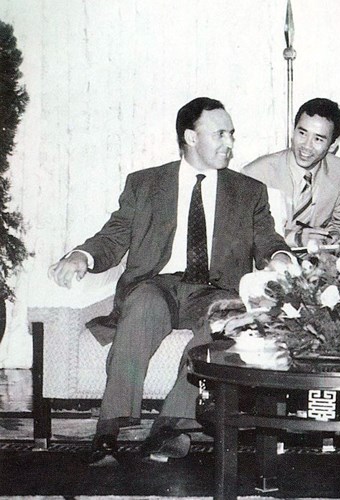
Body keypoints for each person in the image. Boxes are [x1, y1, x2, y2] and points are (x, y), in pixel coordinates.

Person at [48, 97, 292, 466]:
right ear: (191, 137)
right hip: (158, 285)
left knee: (225, 320)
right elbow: (114, 235)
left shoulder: (248, 191)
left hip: (214, 291)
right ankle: (108, 430)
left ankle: (168, 427)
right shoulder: (145, 183)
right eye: (220, 134)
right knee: (142, 305)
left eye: (231, 134)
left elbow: (267, 239)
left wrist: (280, 257)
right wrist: (82, 256)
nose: (230, 142)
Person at [242, 97, 340, 247]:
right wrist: (295, 238)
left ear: (333, 144)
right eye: (302, 133)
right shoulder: (255, 173)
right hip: (269, 258)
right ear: (293, 130)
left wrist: (333, 238)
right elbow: (245, 233)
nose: (306, 146)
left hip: (319, 260)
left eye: (318, 139)